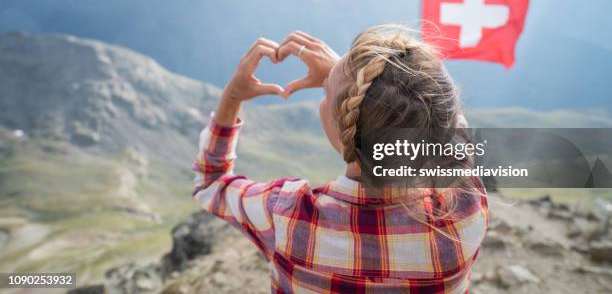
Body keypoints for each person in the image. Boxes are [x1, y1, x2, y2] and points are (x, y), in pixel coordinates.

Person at [192, 24, 489, 293]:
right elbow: (449, 126)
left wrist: (232, 98)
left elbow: (210, 182)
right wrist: (352, 85)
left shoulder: (288, 213)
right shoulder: (464, 209)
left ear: (343, 126)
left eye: (326, 92)